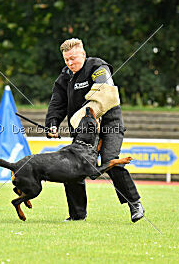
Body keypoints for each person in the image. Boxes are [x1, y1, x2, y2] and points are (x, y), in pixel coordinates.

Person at [45, 38, 145, 223]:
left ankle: (135, 204)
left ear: (83, 54)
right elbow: (57, 103)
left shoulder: (98, 66)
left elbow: (105, 89)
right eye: (66, 59)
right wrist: (52, 123)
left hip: (109, 125)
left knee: (110, 161)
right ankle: (77, 215)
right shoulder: (64, 77)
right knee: (71, 166)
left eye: (73, 58)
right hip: (83, 131)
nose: (70, 63)